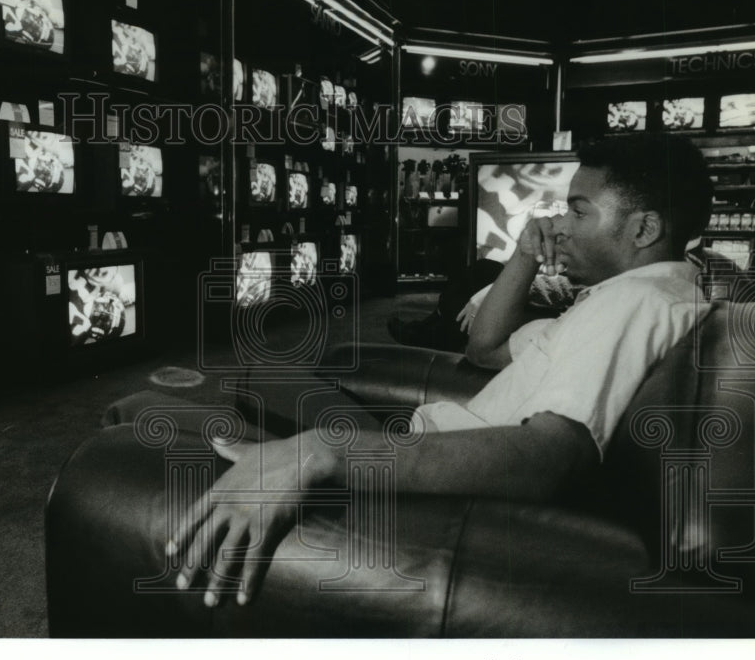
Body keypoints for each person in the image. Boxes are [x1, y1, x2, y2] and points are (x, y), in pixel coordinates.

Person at [165, 133, 714, 608]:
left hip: (429, 486)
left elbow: (548, 458)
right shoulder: (635, 295)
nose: (560, 225)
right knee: (262, 374)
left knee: (144, 416)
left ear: (643, 229)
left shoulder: (635, 307)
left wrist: (320, 453)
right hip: (424, 443)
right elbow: (486, 347)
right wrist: (524, 253)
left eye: (578, 210)